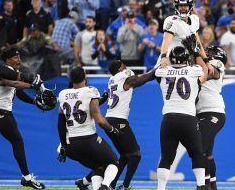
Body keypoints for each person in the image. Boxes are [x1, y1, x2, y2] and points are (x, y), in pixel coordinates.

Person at [76, 60, 156, 190]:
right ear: (120, 69)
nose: (126, 67)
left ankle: (107, 184)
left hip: (110, 119)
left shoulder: (112, 79)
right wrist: (157, 71)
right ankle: (125, 186)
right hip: (119, 121)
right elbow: (141, 80)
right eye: (123, 65)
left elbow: (135, 80)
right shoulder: (122, 77)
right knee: (136, 155)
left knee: (124, 156)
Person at [0, 39, 42, 190]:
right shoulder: (5, 71)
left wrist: (34, 101)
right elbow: (13, 83)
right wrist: (32, 84)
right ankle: (26, 177)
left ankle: (26, 177)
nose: (19, 60)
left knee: (17, 141)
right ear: (8, 59)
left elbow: (18, 93)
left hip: (4, 113)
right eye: (16, 57)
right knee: (18, 141)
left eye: (19, 57)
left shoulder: (11, 72)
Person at [57, 67, 120, 190]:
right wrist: (112, 129)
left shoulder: (63, 94)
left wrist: (64, 145)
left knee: (97, 167)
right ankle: (105, 186)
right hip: (88, 138)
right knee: (114, 162)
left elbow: (60, 122)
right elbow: (98, 118)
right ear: (84, 77)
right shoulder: (90, 91)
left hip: (71, 143)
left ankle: (95, 187)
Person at [155, 46, 208, 190]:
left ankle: (161, 188)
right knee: (197, 154)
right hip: (188, 119)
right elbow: (206, 72)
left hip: (169, 118)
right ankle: (201, 185)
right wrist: (197, 53)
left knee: (166, 158)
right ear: (187, 58)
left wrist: (163, 57)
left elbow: (156, 71)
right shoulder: (194, 70)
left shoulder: (162, 72)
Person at [158, 0, 214, 75]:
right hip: (170, 60)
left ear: (190, 7)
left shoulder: (195, 19)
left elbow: (198, 44)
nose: (183, 8)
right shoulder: (171, 21)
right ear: (176, 7)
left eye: (185, 5)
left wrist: (207, 61)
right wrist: (163, 57)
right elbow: (166, 40)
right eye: (180, 6)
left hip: (186, 61)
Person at [196, 46, 227, 190]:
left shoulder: (217, 64)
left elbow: (209, 72)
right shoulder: (204, 63)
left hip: (213, 112)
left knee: (199, 148)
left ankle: (203, 185)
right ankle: (212, 185)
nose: (207, 53)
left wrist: (197, 57)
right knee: (207, 153)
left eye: (211, 52)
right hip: (200, 113)